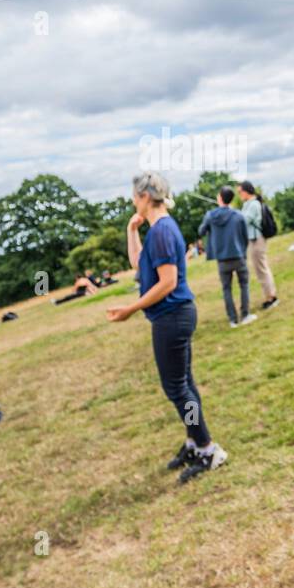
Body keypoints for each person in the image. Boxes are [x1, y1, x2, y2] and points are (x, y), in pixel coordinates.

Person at [107, 172, 226, 483]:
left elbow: (168, 282)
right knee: (184, 383)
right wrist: (131, 230)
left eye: (134, 196)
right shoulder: (159, 228)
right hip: (174, 315)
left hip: (172, 316)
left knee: (177, 388)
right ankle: (194, 442)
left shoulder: (162, 230)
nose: (133, 202)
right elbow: (139, 264)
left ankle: (207, 448)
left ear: (145, 197)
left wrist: (131, 309)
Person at [198, 185, 255, 328]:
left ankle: (233, 320)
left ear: (220, 198)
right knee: (244, 285)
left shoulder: (210, 215)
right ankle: (245, 314)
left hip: (222, 259)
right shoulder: (238, 215)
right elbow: (244, 237)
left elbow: (201, 231)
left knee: (227, 289)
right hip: (238, 256)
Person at [238, 180, 278, 310]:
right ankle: (270, 295)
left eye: (240, 192)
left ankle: (271, 297)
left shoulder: (254, 204)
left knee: (261, 268)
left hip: (257, 240)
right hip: (254, 240)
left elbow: (245, 220)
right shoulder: (249, 204)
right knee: (261, 268)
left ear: (246, 191)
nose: (239, 194)